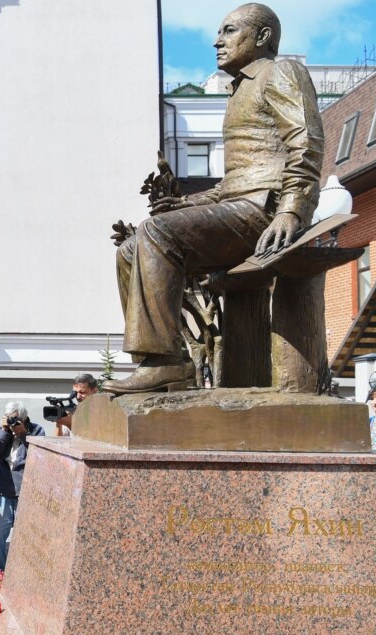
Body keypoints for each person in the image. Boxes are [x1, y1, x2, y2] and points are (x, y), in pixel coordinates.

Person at [106, 3, 322, 394]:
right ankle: (168, 362)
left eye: (228, 31)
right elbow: (235, 182)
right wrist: (188, 204)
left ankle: (165, 363)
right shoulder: (240, 91)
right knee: (130, 248)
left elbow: (306, 143)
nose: (216, 41)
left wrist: (293, 210)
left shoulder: (281, 72)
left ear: (263, 37)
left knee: (156, 233)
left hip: (266, 213)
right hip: (239, 208)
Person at [0, 402, 44, 569]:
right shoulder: (3, 430)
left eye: (17, 419)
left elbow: (40, 456)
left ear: (24, 418)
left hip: (26, 490)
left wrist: (24, 435)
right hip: (1, 488)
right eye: (10, 418)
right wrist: (5, 431)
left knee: (27, 534)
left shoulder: (37, 430)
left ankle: (23, 570)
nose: (13, 422)